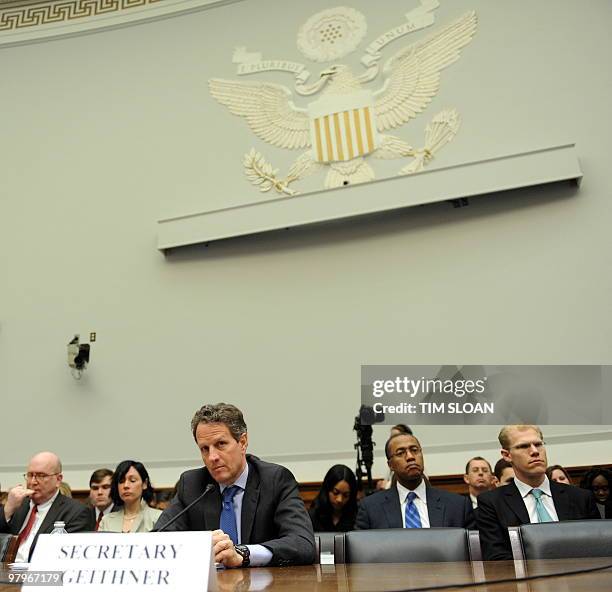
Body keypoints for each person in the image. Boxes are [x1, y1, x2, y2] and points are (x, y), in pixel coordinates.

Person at [155, 403, 315, 567]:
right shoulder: (192, 484)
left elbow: (302, 543)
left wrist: (243, 554)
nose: (212, 457)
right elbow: (157, 540)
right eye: (204, 448)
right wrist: (200, 547)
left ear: (243, 442)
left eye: (221, 444)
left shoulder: (274, 480)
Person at [477, 425, 599, 560]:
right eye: (523, 446)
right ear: (507, 455)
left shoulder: (580, 497)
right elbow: (496, 557)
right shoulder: (492, 503)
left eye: (538, 444)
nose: (535, 451)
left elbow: (597, 547)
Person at [355, 432, 475, 529]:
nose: (410, 457)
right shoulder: (371, 508)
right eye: (401, 453)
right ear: (390, 465)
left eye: (414, 450)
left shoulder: (457, 506)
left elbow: (473, 552)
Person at [0, 451, 94, 562]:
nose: (33, 482)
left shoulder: (76, 512)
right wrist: (7, 510)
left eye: (41, 475)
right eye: (30, 475)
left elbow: (68, 558)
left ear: (58, 480)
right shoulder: (17, 504)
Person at [98, 461, 161, 533]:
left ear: (144, 484)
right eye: (121, 481)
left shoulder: (158, 517)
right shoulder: (106, 521)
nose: (126, 485)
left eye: (132, 480)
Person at [309, 464, 358, 532]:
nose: (339, 499)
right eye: (335, 493)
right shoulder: (314, 515)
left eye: (346, 495)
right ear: (327, 489)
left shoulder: (357, 515)